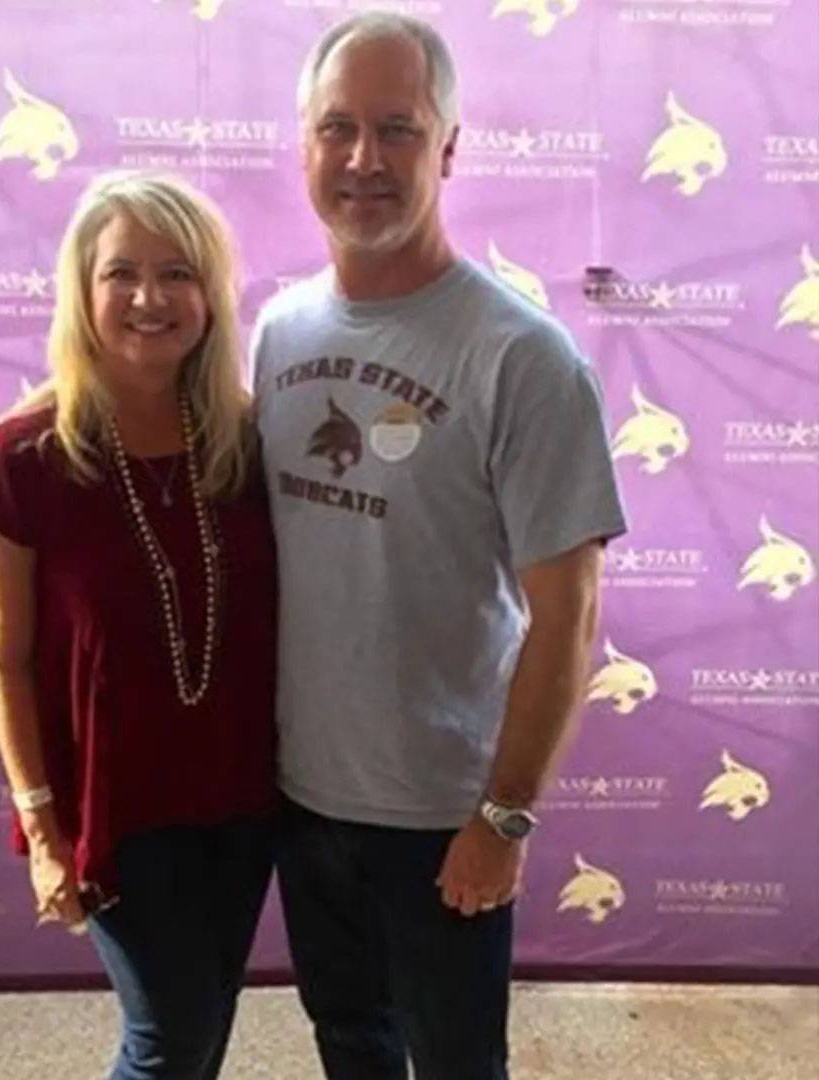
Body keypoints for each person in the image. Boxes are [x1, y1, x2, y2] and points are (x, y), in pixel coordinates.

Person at [250, 13, 628, 1080]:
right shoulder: (278, 331)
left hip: (442, 817)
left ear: (449, 149)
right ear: (306, 145)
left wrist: (504, 818)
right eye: (338, 128)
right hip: (301, 797)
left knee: (457, 1064)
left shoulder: (523, 357)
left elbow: (571, 618)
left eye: (399, 129)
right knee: (351, 1044)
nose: (364, 158)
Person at [0, 170, 277, 1080]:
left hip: (245, 800)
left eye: (178, 273)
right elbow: (8, 664)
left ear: (210, 297)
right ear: (82, 289)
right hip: (114, 808)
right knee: (168, 1039)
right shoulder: (20, 461)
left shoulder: (249, 442)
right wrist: (42, 828)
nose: (150, 297)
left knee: (203, 1022)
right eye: (121, 273)